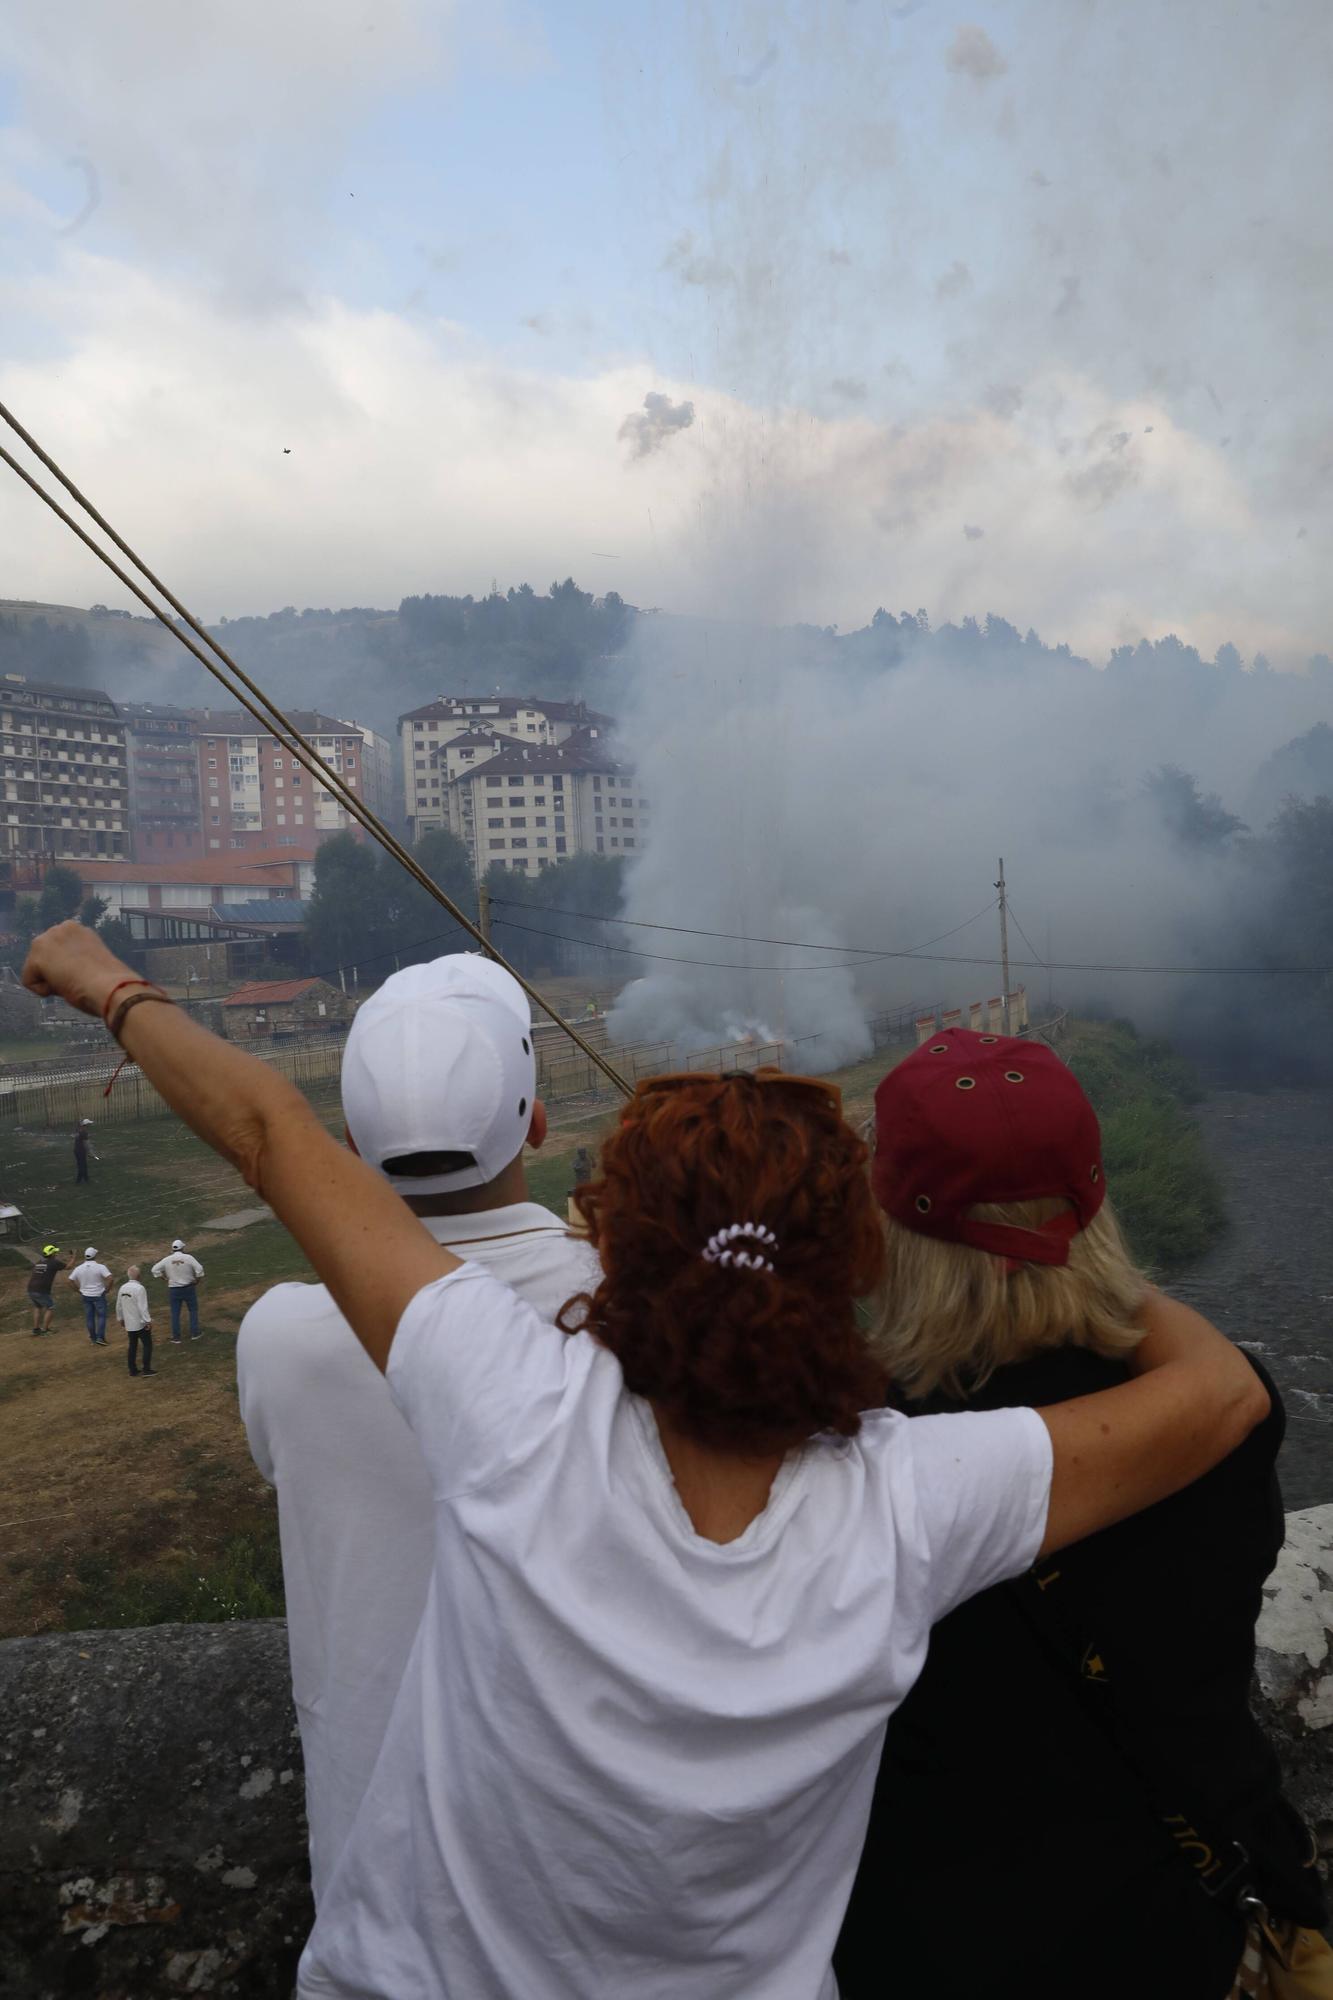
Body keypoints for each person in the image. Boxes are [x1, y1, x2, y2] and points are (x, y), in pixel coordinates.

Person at [22, 922, 1270, 2000]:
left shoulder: (511, 1408)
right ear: (859, 1265)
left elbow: (268, 1130)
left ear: (610, 1247)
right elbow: (1219, 1392)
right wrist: (1076, 1237)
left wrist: (112, 987)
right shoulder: (912, 1500)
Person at [836, 1028, 1327, 2000]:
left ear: (888, 1221)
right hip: (1181, 1921)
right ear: (1094, 1200)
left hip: (933, 1943)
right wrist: (1076, 1266)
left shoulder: (864, 1452)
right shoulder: (1220, 1409)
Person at [237, 955, 602, 1902]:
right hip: (588, 1868)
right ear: (534, 1116)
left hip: (373, 1882)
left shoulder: (282, 1337)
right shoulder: (636, 1307)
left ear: (351, 1137)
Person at [151, 1238, 204, 1343]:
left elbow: (154, 1269)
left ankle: (176, 1337)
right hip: (188, 1288)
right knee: (192, 1310)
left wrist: (165, 1279)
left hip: (174, 1290)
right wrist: (197, 1280)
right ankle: (194, 1333)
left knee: (175, 1313)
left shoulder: (167, 1260)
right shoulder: (188, 1258)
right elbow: (199, 1269)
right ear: (183, 1248)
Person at [67, 1245, 112, 1345]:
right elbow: (110, 1279)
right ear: (95, 1255)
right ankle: (100, 1337)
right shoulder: (100, 1267)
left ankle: (93, 1338)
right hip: (99, 1294)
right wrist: (107, 1289)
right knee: (101, 1316)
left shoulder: (79, 1268)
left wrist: (78, 1290)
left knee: (89, 1317)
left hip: (86, 1295)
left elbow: (70, 1281)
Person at [116, 1264, 155, 1378]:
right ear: (139, 1276)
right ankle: (146, 1369)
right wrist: (148, 1321)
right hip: (140, 1323)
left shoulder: (122, 1288)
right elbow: (143, 1307)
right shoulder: (140, 1288)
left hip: (129, 1323)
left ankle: (132, 1370)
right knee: (147, 1345)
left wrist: (121, 1318)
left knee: (132, 1345)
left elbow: (118, 1305)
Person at [27, 1242, 67, 1335]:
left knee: (37, 1307)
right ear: (52, 1254)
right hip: (41, 1290)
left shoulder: (39, 1262)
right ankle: (45, 1330)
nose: (56, 1254)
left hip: (31, 1288)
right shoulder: (54, 1262)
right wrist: (73, 1257)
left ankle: (36, 1329)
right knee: (50, 1307)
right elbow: (68, 1267)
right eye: (55, 1252)